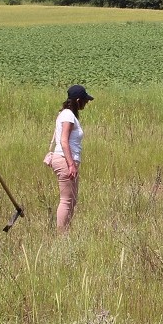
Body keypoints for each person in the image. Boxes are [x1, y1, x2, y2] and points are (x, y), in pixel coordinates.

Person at [46, 84, 93, 233]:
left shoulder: (67, 114)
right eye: (84, 100)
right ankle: (61, 235)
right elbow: (64, 140)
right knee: (66, 200)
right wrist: (71, 164)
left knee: (71, 200)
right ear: (78, 100)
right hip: (65, 161)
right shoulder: (67, 115)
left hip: (67, 160)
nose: (86, 103)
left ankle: (66, 231)